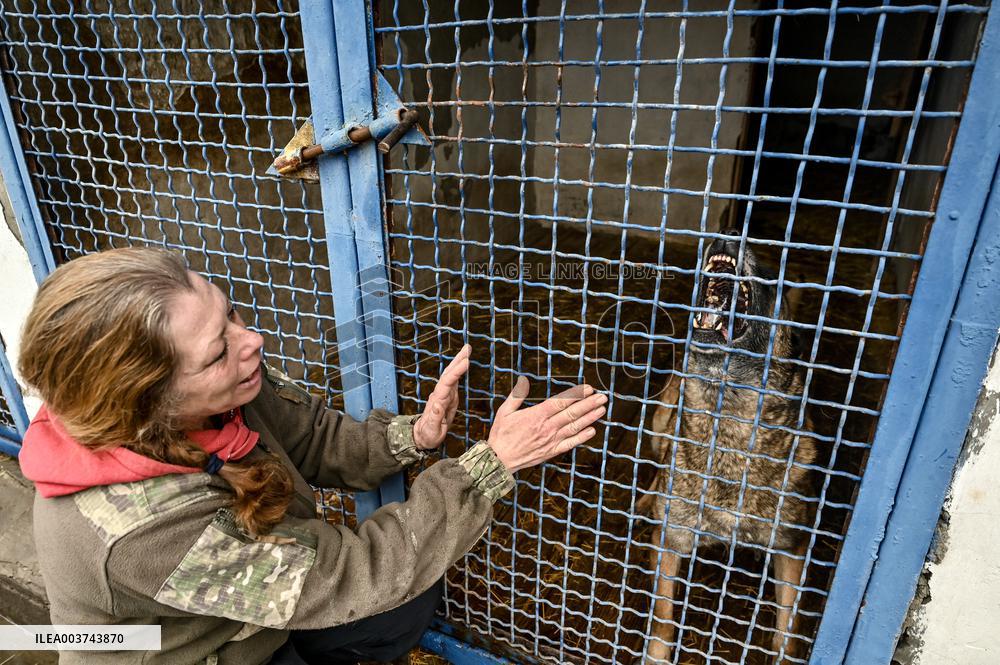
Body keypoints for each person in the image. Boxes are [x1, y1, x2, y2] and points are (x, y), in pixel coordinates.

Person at [16, 247, 607, 665]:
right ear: (147, 400)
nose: (254, 342)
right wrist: (487, 466)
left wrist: (414, 438)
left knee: (408, 601)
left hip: (213, 614)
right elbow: (353, 575)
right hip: (165, 653)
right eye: (219, 350)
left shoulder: (214, 396)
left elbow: (309, 439)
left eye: (232, 313)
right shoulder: (145, 529)